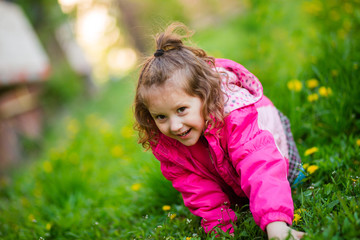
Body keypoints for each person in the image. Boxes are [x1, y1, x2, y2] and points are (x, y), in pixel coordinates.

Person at [134, 22, 305, 239]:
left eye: (182, 110)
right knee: (236, 197)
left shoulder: (235, 116)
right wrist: (220, 231)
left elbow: (259, 163)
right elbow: (197, 189)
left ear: (204, 97)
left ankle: (274, 205)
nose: (175, 126)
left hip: (274, 148)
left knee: (289, 179)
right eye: (161, 117)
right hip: (226, 172)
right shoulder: (168, 145)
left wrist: (276, 225)